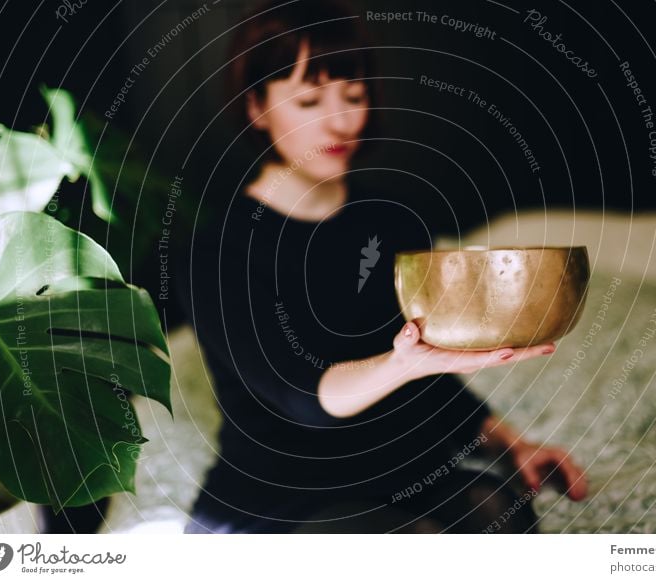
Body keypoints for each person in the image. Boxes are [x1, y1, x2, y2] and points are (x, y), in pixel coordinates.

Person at [180, 0, 587, 534]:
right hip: (276, 501)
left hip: (397, 478)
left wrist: (514, 443)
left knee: (499, 511)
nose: (342, 119)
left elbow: (430, 379)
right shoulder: (215, 251)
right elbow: (305, 397)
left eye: (354, 95)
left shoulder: (395, 222)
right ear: (257, 106)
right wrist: (404, 363)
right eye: (310, 99)